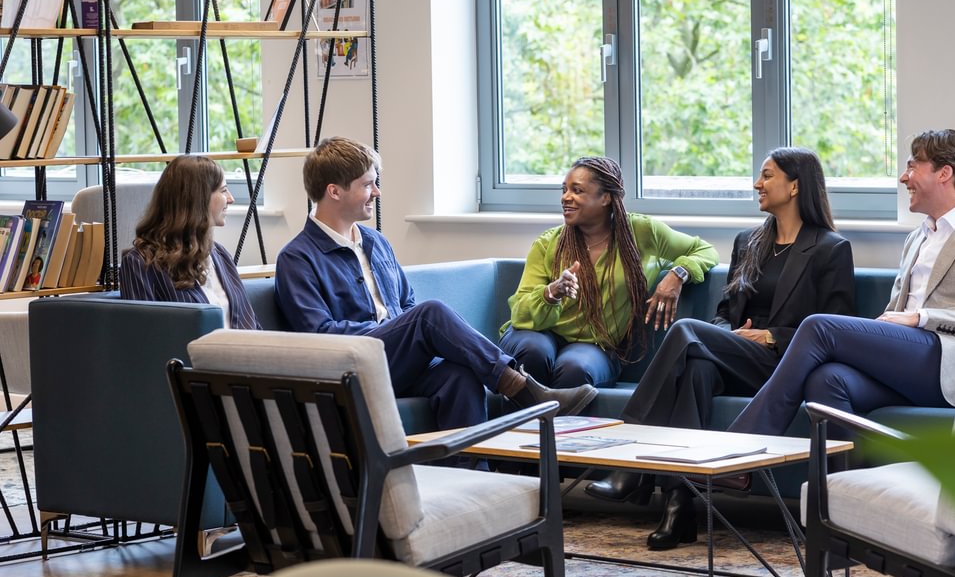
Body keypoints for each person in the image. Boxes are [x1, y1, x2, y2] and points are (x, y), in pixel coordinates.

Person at [586, 147, 855, 550]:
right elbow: (724, 313)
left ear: (795, 185)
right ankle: (680, 507)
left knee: (686, 331)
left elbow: (838, 327)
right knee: (696, 368)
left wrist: (771, 336)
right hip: (735, 355)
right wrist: (727, 333)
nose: (756, 184)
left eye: (766, 176)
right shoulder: (748, 241)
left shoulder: (830, 248)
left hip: (783, 365)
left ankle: (631, 452)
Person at [274, 136, 598, 437]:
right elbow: (319, 334)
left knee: (462, 375)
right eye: (368, 185)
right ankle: (524, 390)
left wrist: (401, 334)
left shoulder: (376, 243)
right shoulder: (297, 258)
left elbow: (406, 303)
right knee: (430, 314)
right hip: (351, 368)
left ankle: (471, 482)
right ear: (335, 191)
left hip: (395, 362)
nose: (377, 192)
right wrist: (390, 332)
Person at [729, 127, 955, 437]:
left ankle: (744, 444)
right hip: (906, 361)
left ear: (944, 173)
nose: (903, 177)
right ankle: (841, 482)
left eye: (912, 165)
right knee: (827, 379)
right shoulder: (917, 237)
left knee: (819, 326)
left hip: (951, 365)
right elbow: (893, 313)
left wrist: (920, 318)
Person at [499, 156, 719, 391]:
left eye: (577, 190)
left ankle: (559, 428)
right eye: (564, 190)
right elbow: (520, 313)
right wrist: (552, 292)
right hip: (538, 335)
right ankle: (523, 427)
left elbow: (705, 250)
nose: (565, 198)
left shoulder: (641, 232)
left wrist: (677, 274)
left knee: (575, 367)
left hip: (595, 346)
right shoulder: (548, 244)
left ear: (605, 197)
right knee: (534, 351)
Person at [120, 155, 261, 330]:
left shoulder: (220, 254)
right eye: (223, 190)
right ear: (197, 199)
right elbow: (145, 337)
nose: (231, 199)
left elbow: (251, 325)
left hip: (242, 355)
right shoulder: (140, 263)